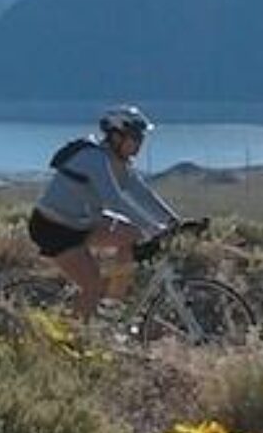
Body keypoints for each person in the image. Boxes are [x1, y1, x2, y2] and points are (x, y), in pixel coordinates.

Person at [27, 105, 182, 320]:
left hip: (82, 223)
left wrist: (174, 221)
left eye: (141, 138)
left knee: (132, 235)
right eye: (134, 137)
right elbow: (115, 200)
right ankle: (76, 340)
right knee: (92, 285)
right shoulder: (94, 158)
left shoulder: (120, 163)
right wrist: (154, 228)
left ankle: (112, 306)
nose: (139, 143)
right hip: (53, 227)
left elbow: (142, 193)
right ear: (116, 136)